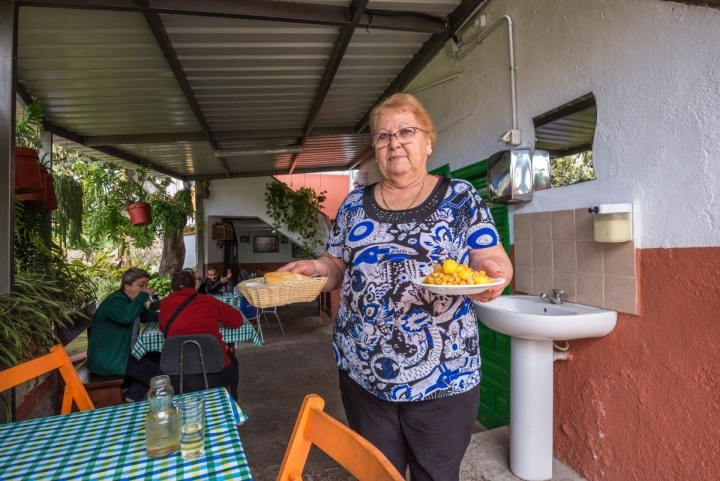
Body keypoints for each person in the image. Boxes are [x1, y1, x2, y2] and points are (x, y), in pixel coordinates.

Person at [279, 93, 513, 480]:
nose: (395, 142)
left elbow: (490, 255)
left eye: (406, 131)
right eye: (383, 136)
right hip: (364, 372)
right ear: (375, 147)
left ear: (428, 141)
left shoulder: (460, 197)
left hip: (445, 376)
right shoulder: (354, 204)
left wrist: (491, 272)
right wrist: (316, 267)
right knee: (375, 473)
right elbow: (336, 264)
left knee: (435, 473)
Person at [159, 270, 243, 399]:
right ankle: (231, 403)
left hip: (178, 377)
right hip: (215, 375)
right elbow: (237, 320)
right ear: (195, 286)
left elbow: (163, 329)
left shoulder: (164, 304)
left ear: (171, 289)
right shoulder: (209, 301)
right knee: (233, 360)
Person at [88, 267, 161, 403]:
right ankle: (130, 400)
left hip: (123, 353)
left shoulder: (130, 301)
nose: (145, 288)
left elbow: (146, 316)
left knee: (161, 358)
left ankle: (130, 397)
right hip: (110, 357)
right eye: (141, 285)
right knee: (157, 374)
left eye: (146, 285)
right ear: (127, 287)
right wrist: (144, 295)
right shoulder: (116, 301)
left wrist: (168, 315)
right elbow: (126, 317)